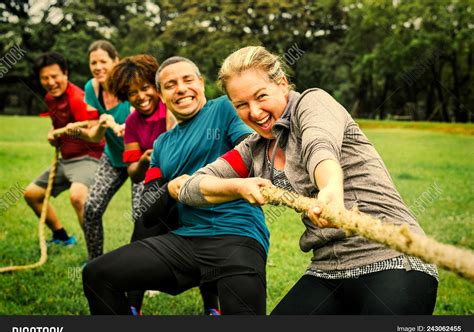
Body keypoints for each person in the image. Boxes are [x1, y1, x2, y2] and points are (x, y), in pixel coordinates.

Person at [178, 46, 439, 315]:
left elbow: (320, 147)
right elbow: (192, 187)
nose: (254, 112)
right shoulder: (252, 149)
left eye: (261, 96)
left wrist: (330, 192)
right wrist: (238, 186)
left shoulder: (312, 103)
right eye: (241, 105)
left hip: (392, 258)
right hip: (327, 271)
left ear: (281, 84)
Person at [83, 56, 269, 315]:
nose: (181, 88)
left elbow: (253, 154)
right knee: (96, 274)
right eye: (170, 85)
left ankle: (211, 307)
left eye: (187, 80)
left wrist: (201, 184)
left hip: (236, 238)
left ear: (201, 83)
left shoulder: (224, 109)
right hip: (186, 242)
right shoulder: (162, 145)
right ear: (161, 94)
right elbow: (148, 214)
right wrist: (170, 189)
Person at [23, 52, 104, 246]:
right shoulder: (50, 98)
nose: (51, 82)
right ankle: (62, 237)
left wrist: (75, 132)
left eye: (55, 76)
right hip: (66, 159)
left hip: (88, 157)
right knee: (32, 194)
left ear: (65, 73)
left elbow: (96, 134)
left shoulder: (78, 98)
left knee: (77, 195)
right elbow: (58, 126)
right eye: (45, 78)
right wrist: (54, 133)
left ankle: (95, 254)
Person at [80, 40, 133, 260]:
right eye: (94, 62)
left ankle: (147, 274)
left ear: (116, 61)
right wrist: (100, 125)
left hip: (141, 159)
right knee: (91, 209)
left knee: (143, 217)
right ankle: (95, 264)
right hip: (113, 158)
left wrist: (127, 127)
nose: (98, 67)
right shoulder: (91, 88)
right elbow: (93, 136)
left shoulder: (131, 86)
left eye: (103, 61)